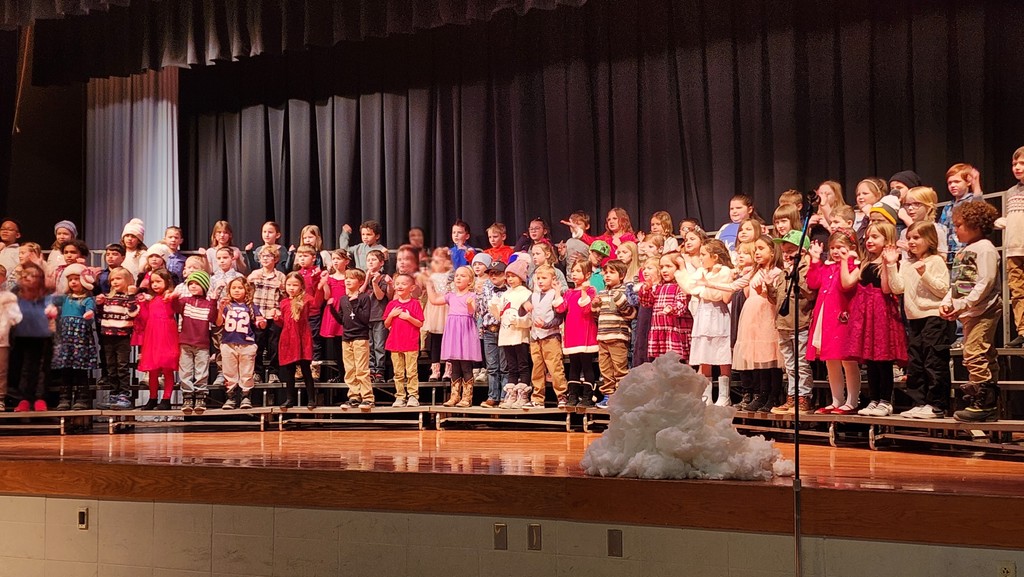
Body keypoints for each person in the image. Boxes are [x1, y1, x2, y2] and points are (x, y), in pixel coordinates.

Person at [942, 201, 1001, 422]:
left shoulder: (985, 247)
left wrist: (965, 304)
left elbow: (985, 282)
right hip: (969, 311)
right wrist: (949, 302)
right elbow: (957, 282)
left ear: (975, 225)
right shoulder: (965, 250)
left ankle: (984, 402)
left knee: (974, 352)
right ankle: (989, 399)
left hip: (983, 310)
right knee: (983, 353)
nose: (955, 230)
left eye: (959, 226)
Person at [885, 222, 951, 419]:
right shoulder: (907, 263)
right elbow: (898, 288)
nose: (912, 242)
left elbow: (942, 289)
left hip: (933, 316)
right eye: (910, 237)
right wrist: (891, 265)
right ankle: (920, 402)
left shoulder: (936, 261)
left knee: (933, 360)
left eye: (917, 237)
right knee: (916, 361)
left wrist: (925, 274)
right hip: (914, 319)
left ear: (929, 240)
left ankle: (936, 404)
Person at [843, 222, 907, 417]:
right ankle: (874, 398)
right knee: (869, 360)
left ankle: (886, 400)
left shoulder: (888, 262)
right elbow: (848, 284)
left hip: (881, 314)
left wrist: (889, 262)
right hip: (865, 314)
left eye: (875, 237)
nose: (869, 241)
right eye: (868, 237)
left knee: (883, 359)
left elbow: (887, 289)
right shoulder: (865, 263)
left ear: (887, 241)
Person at [733, 237, 784, 413]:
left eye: (761, 248)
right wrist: (707, 283)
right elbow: (734, 285)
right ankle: (761, 395)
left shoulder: (777, 272)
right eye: (755, 249)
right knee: (759, 358)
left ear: (772, 250)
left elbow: (776, 296)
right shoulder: (755, 271)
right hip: (754, 317)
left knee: (771, 358)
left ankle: (773, 396)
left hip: (768, 315)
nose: (757, 253)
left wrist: (767, 288)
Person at [770, 231, 816, 415]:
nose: (787, 255)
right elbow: (778, 299)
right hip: (783, 325)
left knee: (801, 364)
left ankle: (804, 398)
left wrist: (796, 274)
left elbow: (810, 294)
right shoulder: (783, 273)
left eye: (791, 250)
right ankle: (792, 396)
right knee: (789, 364)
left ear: (802, 252)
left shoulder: (807, 270)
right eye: (784, 251)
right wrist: (767, 288)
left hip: (801, 324)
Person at [426, 265, 483, 408]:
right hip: (453, 331)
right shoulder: (450, 296)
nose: (458, 277)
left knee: (465, 366)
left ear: (470, 281)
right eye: (457, 275)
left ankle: (467, 397)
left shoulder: (472, 296)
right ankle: (454, 396)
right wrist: (428, 285)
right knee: (454, 365)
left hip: (466, 331)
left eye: (463, 276)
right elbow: (433, 301)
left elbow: (472, 312)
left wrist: (470, 305)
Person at [687, 239, 735, 406]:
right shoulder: (701, 271)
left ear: (715, 257)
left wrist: (706, 290)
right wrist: (707, 290)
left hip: (718, 315)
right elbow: (692, 288)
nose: (700, 258)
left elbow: (721, 295)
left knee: (722, 354)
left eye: (703, 254)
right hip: (703, 315)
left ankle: (724, 395)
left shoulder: (725, 271)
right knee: (704, 355)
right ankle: (707, 395)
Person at [48, 264, 98, 410]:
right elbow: (50, 300)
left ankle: (82, 399)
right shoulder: (65, 298)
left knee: (80, 371)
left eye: (77, 279)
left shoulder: (88, 300)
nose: (73, 282)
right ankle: (64, 399)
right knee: (66, 370)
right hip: (66, 340)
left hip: (80, 340)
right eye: (70, 280)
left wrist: (89, 315)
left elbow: (90, 313)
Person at [591, 259, 636, 408]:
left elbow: (630, 313)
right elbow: (600, 316)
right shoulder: (603, 293)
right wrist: (595, 308)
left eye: (612, 272)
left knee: (620, 369)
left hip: (617, 336)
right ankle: (608, 395)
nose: (607, 275)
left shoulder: (624, 291)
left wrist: (617, 298)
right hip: (603, 336)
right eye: (605, 272)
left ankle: (622, 397)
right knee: (605, 369)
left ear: (621, 275)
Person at [216, 277, 266, 410]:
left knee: (247, 372)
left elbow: (260, 324)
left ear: (246, 290)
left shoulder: (251, 306)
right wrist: (220, 309)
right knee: (229, 372)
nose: (237, 291)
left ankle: (245, 396)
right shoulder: (226, 306)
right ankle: (231, 397)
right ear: (229, 290)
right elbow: (218, 323)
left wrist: (262, 322)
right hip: (228, 343)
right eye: (234, 288)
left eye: (240, 288)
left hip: (246, 344)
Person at [172, 270, 217, 414]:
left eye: (196, 283)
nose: (192, 286)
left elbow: (212, 318)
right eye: (190, 283)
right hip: (185, 341)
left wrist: (215, 301)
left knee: (201, 370)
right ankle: (187, 396)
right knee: (185, 370)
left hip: (202, 342)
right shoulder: (185, 301)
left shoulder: (208, 303)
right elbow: (175, 308)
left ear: (204, 286)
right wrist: (173, 298)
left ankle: (200, 396)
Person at [94, 267, 138, 410]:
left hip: (122, 337)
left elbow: (132, 313)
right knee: (110, 367)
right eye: (112, 279)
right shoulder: (107, 297)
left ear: (128, 281)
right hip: (107, 336)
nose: (114, 282)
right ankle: (114, 395)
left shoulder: (129, 298)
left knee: (122, 367)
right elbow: (101, 316)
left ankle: (124, 395)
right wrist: (99, 305)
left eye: (118, 279)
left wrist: (131, 296)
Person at [328, 269, 373, 409]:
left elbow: (365, 319)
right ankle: (354, 396)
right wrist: (331, 308)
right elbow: (342, 320)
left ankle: (367, 397)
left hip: (360, 337)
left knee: (361, 369)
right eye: (346, 278)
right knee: (350, 369)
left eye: (352, 279)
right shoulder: (343, 299)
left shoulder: (364, 297)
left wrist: (355, 304)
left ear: (360, 282)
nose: (347, 281)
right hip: (346, 338)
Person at [10, 263, 52, 412]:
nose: (29, 278)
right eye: (26, 275)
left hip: (43, 335)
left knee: (42, 368)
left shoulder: (46, 294)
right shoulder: (16, 292)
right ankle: (25, 399)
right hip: (22, 335)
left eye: (33, 275)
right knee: (24, 368)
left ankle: (40, 398)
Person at [135, 268, 179, 410]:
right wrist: (142, 304)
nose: (154, 285)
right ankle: (152, 398)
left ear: (167, 282)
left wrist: (172, 297)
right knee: (152, 369)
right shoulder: (151, 299)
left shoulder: (170, 296)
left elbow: (177, 306)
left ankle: (166, 399)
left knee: (167, 368)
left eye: (158, 281)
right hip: (152, 335)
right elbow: (145, 317)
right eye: (152, 282)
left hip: (166, 333)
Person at [527, 264, 567, 408]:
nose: (541, 281)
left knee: (555, 367)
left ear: (553, 279)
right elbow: (522, 310)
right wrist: (525, 305)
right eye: (538, 278)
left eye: (544, 278)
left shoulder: (555, 295)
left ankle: (562, 395)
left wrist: (546, 325)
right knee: (537, 368)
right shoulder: (533, 295)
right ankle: (537, 398)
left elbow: (559, 317)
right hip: (536, 337)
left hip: (550, 336)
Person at [494, 259, 532, 409]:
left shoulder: (526, 293)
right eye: (508, 276)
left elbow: (529, 315)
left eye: (513, 276)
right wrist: (494, 309)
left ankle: (523, 394)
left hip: (519, 334)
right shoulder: (505, 294)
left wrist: (519, 321)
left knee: (522, 364)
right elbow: (500, 315)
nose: (510, 279)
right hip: (506, 334)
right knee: (511, 366)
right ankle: (512, 394)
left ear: (521, 277)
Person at [995, 147, 1024, 347]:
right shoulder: (1011, 192)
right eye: (1014, 164)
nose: (1017, 167)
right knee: (1017, 290)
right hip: (1013, 249)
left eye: (1022, 163)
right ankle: (1023, 330)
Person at [639, 253, 692, 363]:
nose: (664, 270)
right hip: (660, 329)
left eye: (668, 266)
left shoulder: (681, 286)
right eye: (662, 267)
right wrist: (646, 290)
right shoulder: (659, 287)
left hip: (675, 330)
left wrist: (671, 309)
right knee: (661, 362)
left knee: (677, 362)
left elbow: (681, 306)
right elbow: (647, 303)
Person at [383, 273, 425, 407]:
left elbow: (420, 323)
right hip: (395, 343)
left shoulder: (415, 304)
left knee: (412, 371)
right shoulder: (392, 304)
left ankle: (413, 395)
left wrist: (408, 318)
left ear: (412, 288)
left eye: (403, 284)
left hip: (411, 343)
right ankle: (400, 396)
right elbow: (386, 324)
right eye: (398, 284)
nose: (400, 286)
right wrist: (391, 315)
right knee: (398, 372)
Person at [277, 272, 317, 409]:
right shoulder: (283, 303)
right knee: (289, 371)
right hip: (288, 339)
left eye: (295, 285)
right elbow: (283, 323)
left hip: (302, 337)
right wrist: (277, 318)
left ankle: (311, 399)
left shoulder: (306, 299)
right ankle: (289, 398)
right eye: (289, 285)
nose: (291, 288)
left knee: (306, 369)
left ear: (301, 286)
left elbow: (315, 308)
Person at [562, 260, 598, 409]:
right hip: (572, 332)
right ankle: (573, 395)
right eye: (573, 270)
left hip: (585, 332)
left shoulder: (590, 290)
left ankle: (587, 396)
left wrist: (583, 291)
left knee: (586, 365)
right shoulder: (569, 292)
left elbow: (586, 309)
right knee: (574, 365)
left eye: (578, 271)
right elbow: (561, 308)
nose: (574, 274)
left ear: (587, 274)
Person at [247, 245, 286, 383]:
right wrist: (249, 280)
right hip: (258, 314)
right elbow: (248, 293)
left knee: (274, 345)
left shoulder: (280, 276)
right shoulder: (255, 274)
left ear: (275, 259)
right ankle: (257, 372)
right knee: (257, 344)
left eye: (268, 256)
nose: (264, 258)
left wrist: (282, 288)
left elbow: (285, 297)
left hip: (273, 314)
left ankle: (273, 372)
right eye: (262, 256)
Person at [475, 260, 508, 407]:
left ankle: (505, 396)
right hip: (489, 330)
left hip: (505, 330)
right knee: (492, 366)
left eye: (497, 273)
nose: (494, 276)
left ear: (505, 275)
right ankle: (492, 396)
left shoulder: (510, 290)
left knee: (505, 366)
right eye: (491, 273)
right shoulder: (486, 289)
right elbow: (481, 311)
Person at [940, 163, 983, 266]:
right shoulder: (948, 207)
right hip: (950, 254)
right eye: (950, 183)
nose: (952, 185)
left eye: (957, 182)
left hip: (968, 251)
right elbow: (942, 230)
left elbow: (980, 208)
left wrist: (976, 184)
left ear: (968, 182)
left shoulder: (971, 201)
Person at [317, 248, 350, 379]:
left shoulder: (349, 275)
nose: (335, 262)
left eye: (339, 259)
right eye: (334, 259)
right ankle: (341, 373)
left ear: (346, 261)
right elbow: (327, 296)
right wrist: (324, 283)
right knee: (337, 345)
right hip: (333, 309)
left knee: (347, 344)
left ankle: (350, 373)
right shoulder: (330, 278)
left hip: (346, 309)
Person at [422, 247, 452, 381]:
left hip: (448, 307)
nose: (437, 264)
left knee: (450, 340)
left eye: (440, 261)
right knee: (435, 340)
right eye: (435, 261)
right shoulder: (432, 277)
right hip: (435, 309)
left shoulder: (451, 275)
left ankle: (449, 369)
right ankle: (435, 370)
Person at [363, 249, 393, 382]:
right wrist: (366, 279)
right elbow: (360, 293)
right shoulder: (364, 276)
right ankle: (370, 369)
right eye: (368, 260)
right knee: (368, 345)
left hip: (379, 315)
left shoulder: (383, 278)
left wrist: (374, 282)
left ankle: (379, 370)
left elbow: (381, 296)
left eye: (373, 259)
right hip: (365, 316)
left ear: (381, 263)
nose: (370, 262)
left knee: (379, 345)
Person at [897, 187, 948, 260]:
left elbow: (942, 257)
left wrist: (911, 250)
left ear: (928, 206)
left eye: (917, 204)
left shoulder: (937, 229)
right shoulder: (904, 232)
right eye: (907, 205)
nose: (910, 208)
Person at [0, 287, 20, 412]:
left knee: (1, 371)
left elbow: (15, 318)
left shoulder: (9, 297)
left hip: (2, 339)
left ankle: (0, 399)